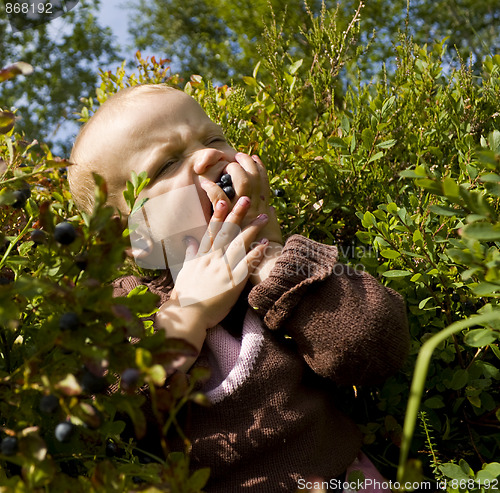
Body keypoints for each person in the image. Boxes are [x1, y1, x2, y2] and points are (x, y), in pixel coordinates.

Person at [68, 84, 410, 492]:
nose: (210, 156)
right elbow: (97, 416)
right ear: (133, 239)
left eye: (213, 138)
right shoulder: (124, 305)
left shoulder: (289, 266)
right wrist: (185, 317)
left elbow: (377, 348)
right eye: (166, 164)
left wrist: (273, 260)